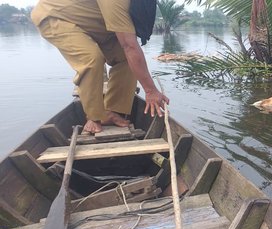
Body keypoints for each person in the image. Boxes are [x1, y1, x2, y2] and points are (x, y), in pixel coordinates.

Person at [31, 0, 169, 134]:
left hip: (96, 25)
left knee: (127, 59)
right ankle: (94, 117)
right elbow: (129, 45)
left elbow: (130, 48)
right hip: (56, 16)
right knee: (92, 59)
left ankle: (112, 111)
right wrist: (150, 90)